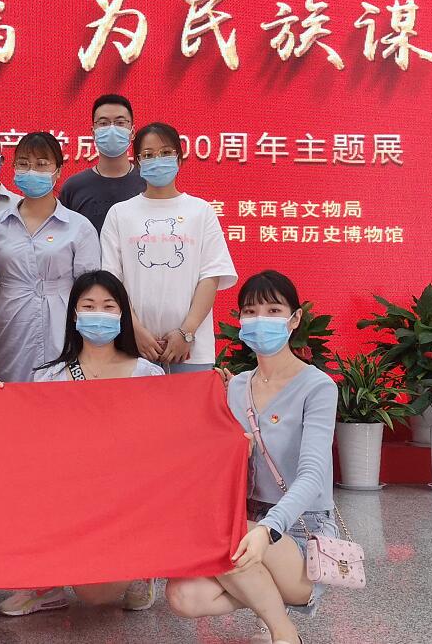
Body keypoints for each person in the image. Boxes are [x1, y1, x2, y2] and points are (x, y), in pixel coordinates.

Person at [166, 271, 340, 644]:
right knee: (183, 595)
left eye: (273, 310)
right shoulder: (237, 386)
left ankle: (283, 631)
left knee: (228, 538)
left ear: (295, 319)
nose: (261, 319)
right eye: (250, 311)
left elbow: (312, 475)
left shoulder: (318, 387)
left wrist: (266, 530)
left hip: (301, 531)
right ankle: (262, 591)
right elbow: (223, 469)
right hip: (246, 523)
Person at [0, 270, 162, 617]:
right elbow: (28, 442)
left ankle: (141, 567)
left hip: (125, 498)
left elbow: (164, 445)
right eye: (88, 306)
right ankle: (45, 584)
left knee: (96, 596)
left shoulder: (148, 375)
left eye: (108, 306)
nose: (98, 314)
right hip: (66, 492)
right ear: (73, 314)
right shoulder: (50, 377)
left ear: (123, 315)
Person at [100, 122, 236, 373]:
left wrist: (186, 333)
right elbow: (111, 281)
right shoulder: (120, 213)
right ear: (138, 163)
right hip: (134, 346)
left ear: (179, 159)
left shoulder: (201, 211)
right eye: (148, 155)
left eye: (165, 153)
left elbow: (211, 276)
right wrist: (134, 330)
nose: (157, 160)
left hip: (190, 350)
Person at [0, 132, 100, 383]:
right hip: (11, 322)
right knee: (9, 392)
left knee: (62, 392)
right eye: (24, 163)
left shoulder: (79, 226)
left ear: (58, 171)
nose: (32, 171)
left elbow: (89, 291)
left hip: (63, 324)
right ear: (13, 167)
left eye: (42, 164)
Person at [59, 93, 145, 232]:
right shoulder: (73, 187)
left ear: (132, 132)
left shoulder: (147, 183)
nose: (112, 129)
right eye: (103, 123)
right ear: (93, 132)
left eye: (120, 123)